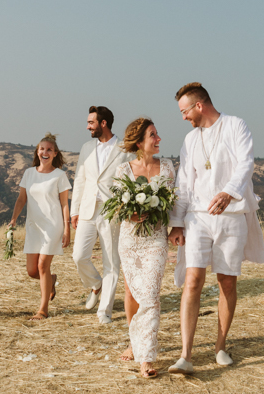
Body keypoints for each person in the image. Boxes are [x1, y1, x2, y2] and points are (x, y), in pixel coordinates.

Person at [168, 83, 264, 374]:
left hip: (232, 214)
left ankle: (220, 346)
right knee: (192, 281)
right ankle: (185, 354)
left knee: (227, 282)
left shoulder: (235, 125)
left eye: (184, 111)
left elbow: (246, 163)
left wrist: (229, 193)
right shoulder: (189, 140)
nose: (183, 117)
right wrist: (176, 222)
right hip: (198, 216)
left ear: (199, 106)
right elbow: (184, 183)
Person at [115, 118, 174, 379]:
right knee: (131, 291)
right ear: (140, 142)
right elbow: (117, 207)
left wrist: (177, 228)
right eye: (153, 135)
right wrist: (130, 214)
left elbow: (174, 202)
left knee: (149, 294)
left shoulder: (168, 169)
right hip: (130, 239)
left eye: (157, 134)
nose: (158, 139)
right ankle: (134, 341)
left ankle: (146, 357)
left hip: (156, 239)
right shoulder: (123, 170)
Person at [70, 106, 134, 324]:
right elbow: (80, 180)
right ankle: (96, 285)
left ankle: (104, 311)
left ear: (103, 123)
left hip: (112, 211)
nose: (87, 126)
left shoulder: (125, 149)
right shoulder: (87, 147)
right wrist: (74, 210)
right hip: (88, 209)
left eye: (91, 122)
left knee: (112, 262)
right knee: (78, 256)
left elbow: (132, 180)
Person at [9, 133, 72, 320]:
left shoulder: (60, 175)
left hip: (53, 225)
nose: (45, 152)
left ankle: (43, 310)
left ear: (54, 153)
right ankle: (51, 280)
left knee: (43, 265)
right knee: (32, 271)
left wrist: (67, 229)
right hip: (33, 226)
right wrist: (13, 219)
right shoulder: (29, 173)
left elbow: (64, 204)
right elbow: (22, 199)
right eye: (42, 149)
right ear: (38, 152)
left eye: (49, 149)